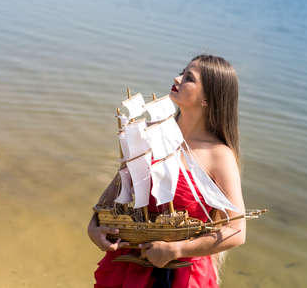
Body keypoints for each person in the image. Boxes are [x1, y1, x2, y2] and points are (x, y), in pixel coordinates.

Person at [88, 54, 246, 288]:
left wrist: (176, 249)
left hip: (182, 274)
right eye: (182, 71)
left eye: (189, 78)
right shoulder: (152, 133)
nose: (177, 77)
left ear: (207, 99)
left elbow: (237, 231)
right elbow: (116, 188)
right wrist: (94, 227)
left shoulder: (219, 155)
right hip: (129, 266)